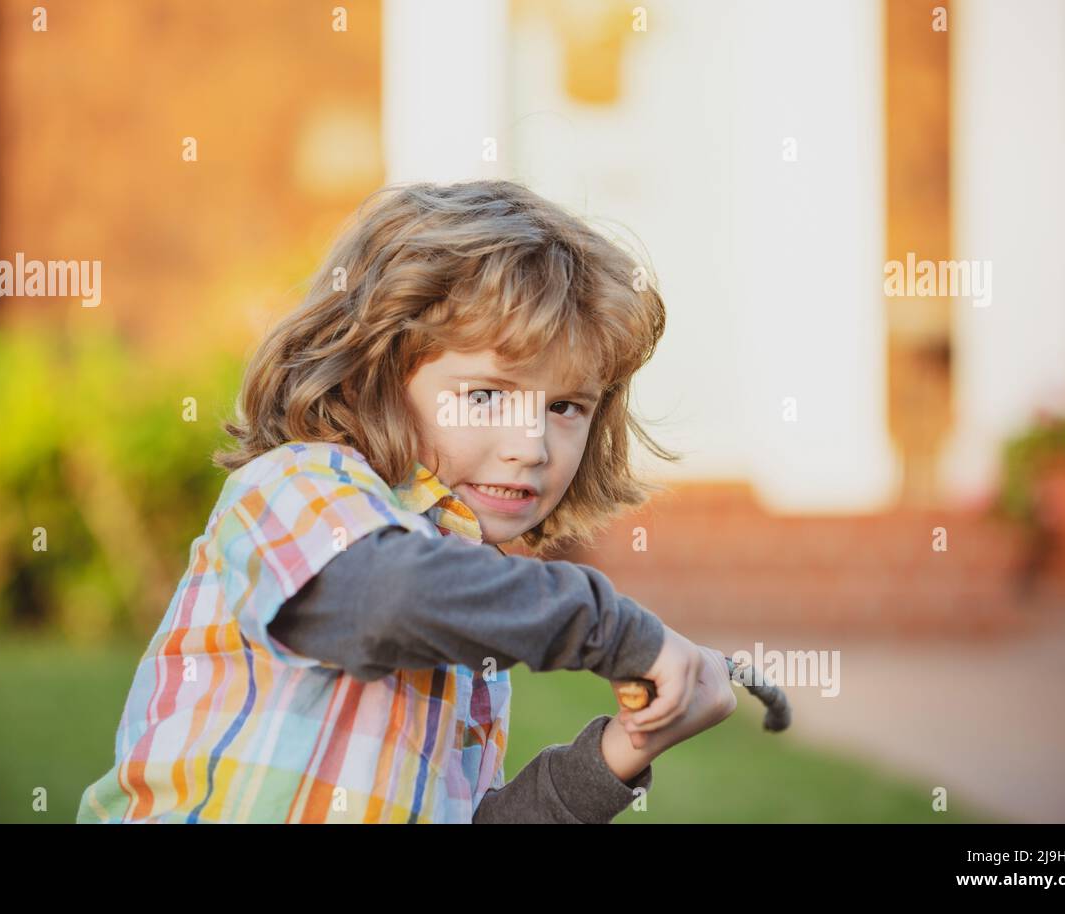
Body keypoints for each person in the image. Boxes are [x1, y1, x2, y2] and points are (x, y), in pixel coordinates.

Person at [76, 179, 737, 824]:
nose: (532, 445)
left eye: (565, 406)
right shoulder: (300, 484)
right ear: (376, 375)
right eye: (486, 395)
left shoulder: (467, 610)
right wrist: (611, 629)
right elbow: (383, 600)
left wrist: (617, 755)